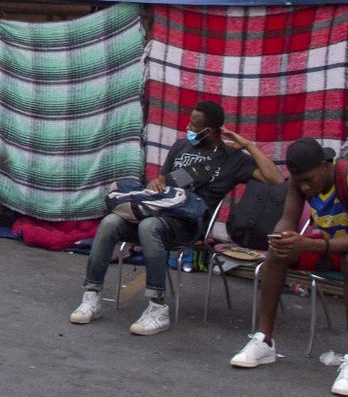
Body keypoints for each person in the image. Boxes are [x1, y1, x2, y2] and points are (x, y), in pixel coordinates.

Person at [69, 100, 284, 335]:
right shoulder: (181, 147)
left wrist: (247, 145)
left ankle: (157, 307)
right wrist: (157, 182)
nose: (189, 128)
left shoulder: (232, 159)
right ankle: (92, 296)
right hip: (161, 212)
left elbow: (275, 179)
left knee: (149, 227)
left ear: (209, 131)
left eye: (194, 125)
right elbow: (164, 183)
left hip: (189, 225)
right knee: (111, 222)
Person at [229, 138, 348, 396]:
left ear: (325, 165)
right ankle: (264, 341)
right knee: (279, 253)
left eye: (310, 179)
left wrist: (309, 245)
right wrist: (280, 239)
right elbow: (287, 220)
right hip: (334, 246)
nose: (305, 187)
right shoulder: (299, 182)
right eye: (300, 181)